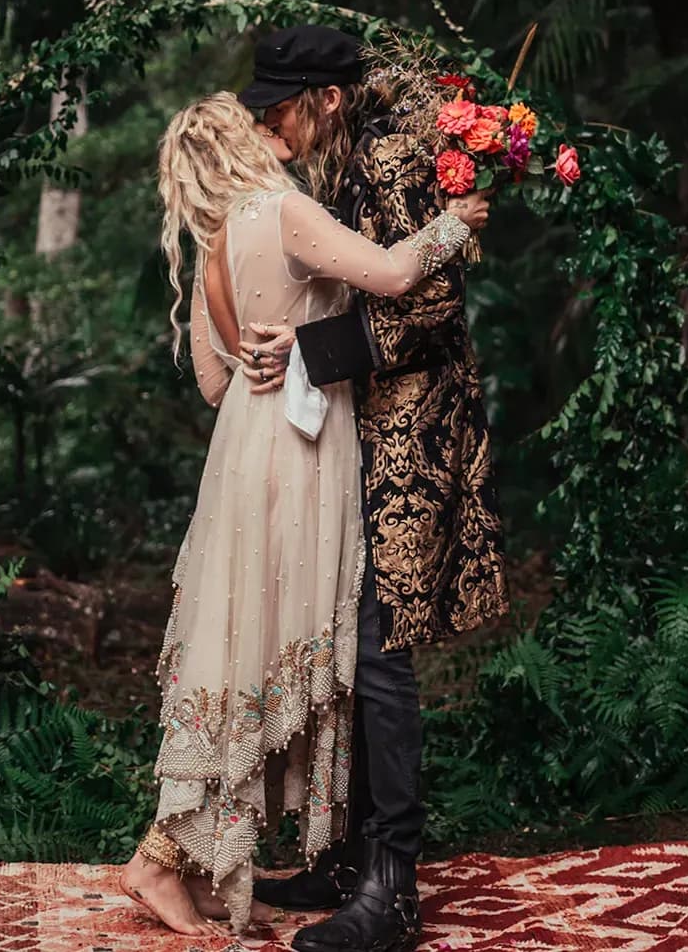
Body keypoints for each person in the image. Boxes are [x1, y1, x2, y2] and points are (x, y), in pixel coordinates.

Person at [117, 92, 489, 936]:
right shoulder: (282, 210)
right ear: (233, 148)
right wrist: (456, 221)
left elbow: (216, 385)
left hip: (240, 459)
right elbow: (394, 275)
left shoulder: (215, 249)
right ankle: (159, 857)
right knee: (268, 654)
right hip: (300, 453)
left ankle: (184, 853)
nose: (266, 127)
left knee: (242, 647)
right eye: (247, 122)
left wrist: (268, 336)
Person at [237, 25, 511, 952]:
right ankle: (353, 859)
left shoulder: (393, 154)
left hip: (413, 435)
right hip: (367, 426)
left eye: (283, 106)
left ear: (329, 97)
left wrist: (305, 351)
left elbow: (426, 312)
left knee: (381, 649)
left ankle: (392, 892)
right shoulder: (359, 144)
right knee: (356, 633)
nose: (276, 124)